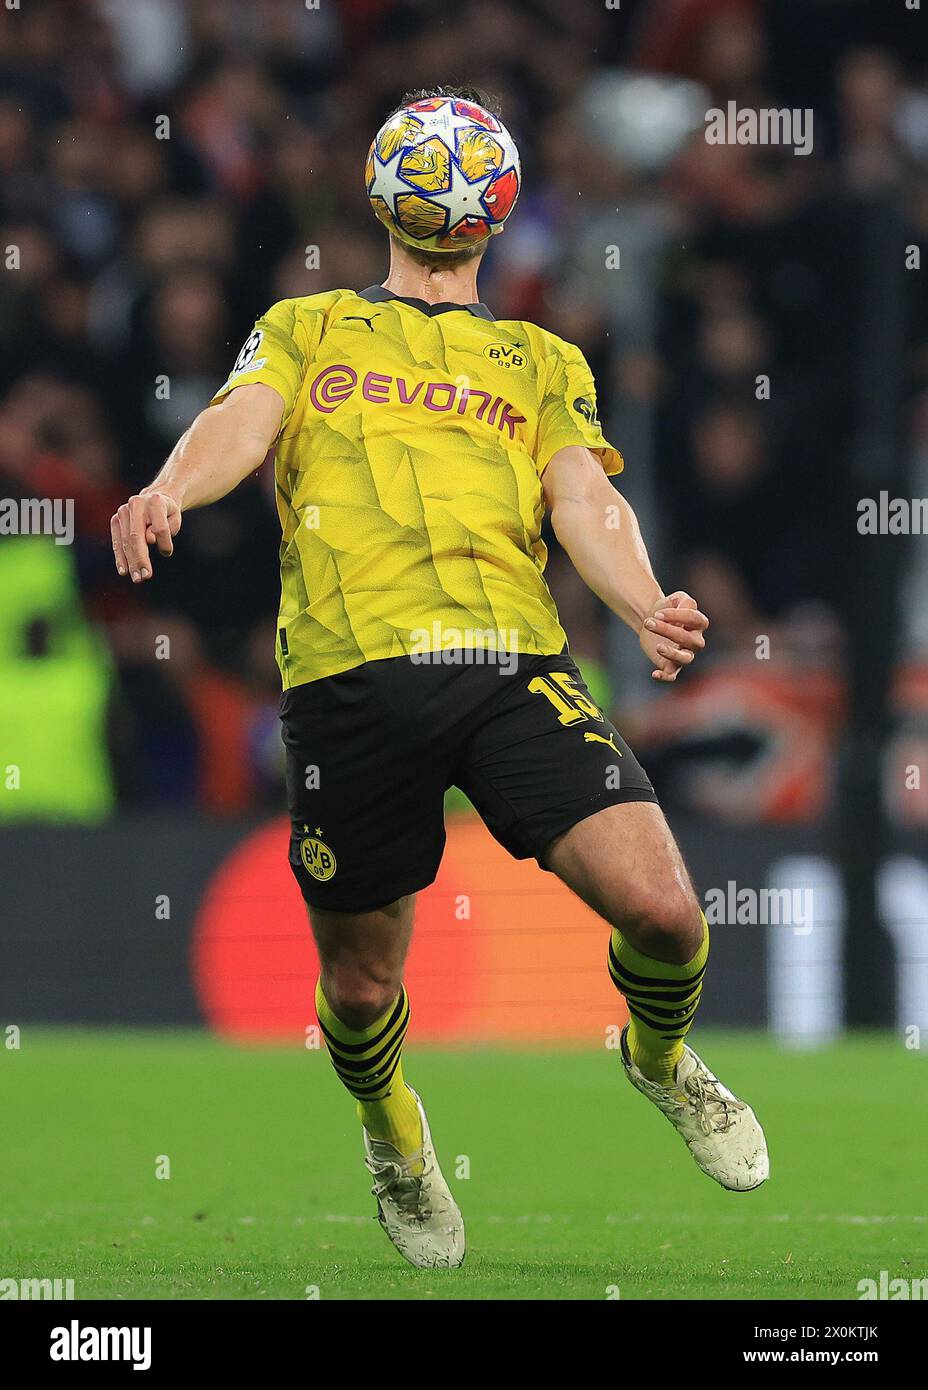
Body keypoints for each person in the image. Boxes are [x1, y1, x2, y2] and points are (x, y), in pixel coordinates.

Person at [110, 86, 768, 1271]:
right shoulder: (308, 326)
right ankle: (394, 1134)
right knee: (359, 990)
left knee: (667, 911)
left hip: (509, 666)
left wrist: (643, 597)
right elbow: (240, 422)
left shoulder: (538, 355)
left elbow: (584, 496)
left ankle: (660, 1057)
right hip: (346, 683)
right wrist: (167, 487)